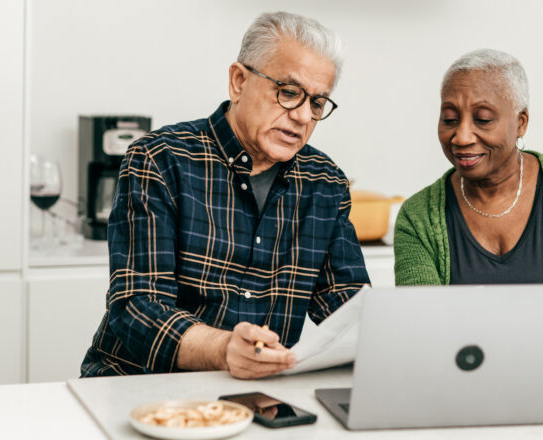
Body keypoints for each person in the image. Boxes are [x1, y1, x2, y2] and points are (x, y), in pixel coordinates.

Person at [81, 11, 370, 380]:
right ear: (238, 82)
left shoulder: (325, 183)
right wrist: (224, 350)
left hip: (255, 393)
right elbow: (137, 308)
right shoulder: (160, 159)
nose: (302, 116)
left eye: (316, 103)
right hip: (136, 384)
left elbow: (350, 312)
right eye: (289, 93)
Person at [393, 49, 543, 376]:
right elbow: (420, 326)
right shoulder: (418, 217)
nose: (461, 136)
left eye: (483, 119)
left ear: (520, 122)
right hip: (462, 388)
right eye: (449, 119)